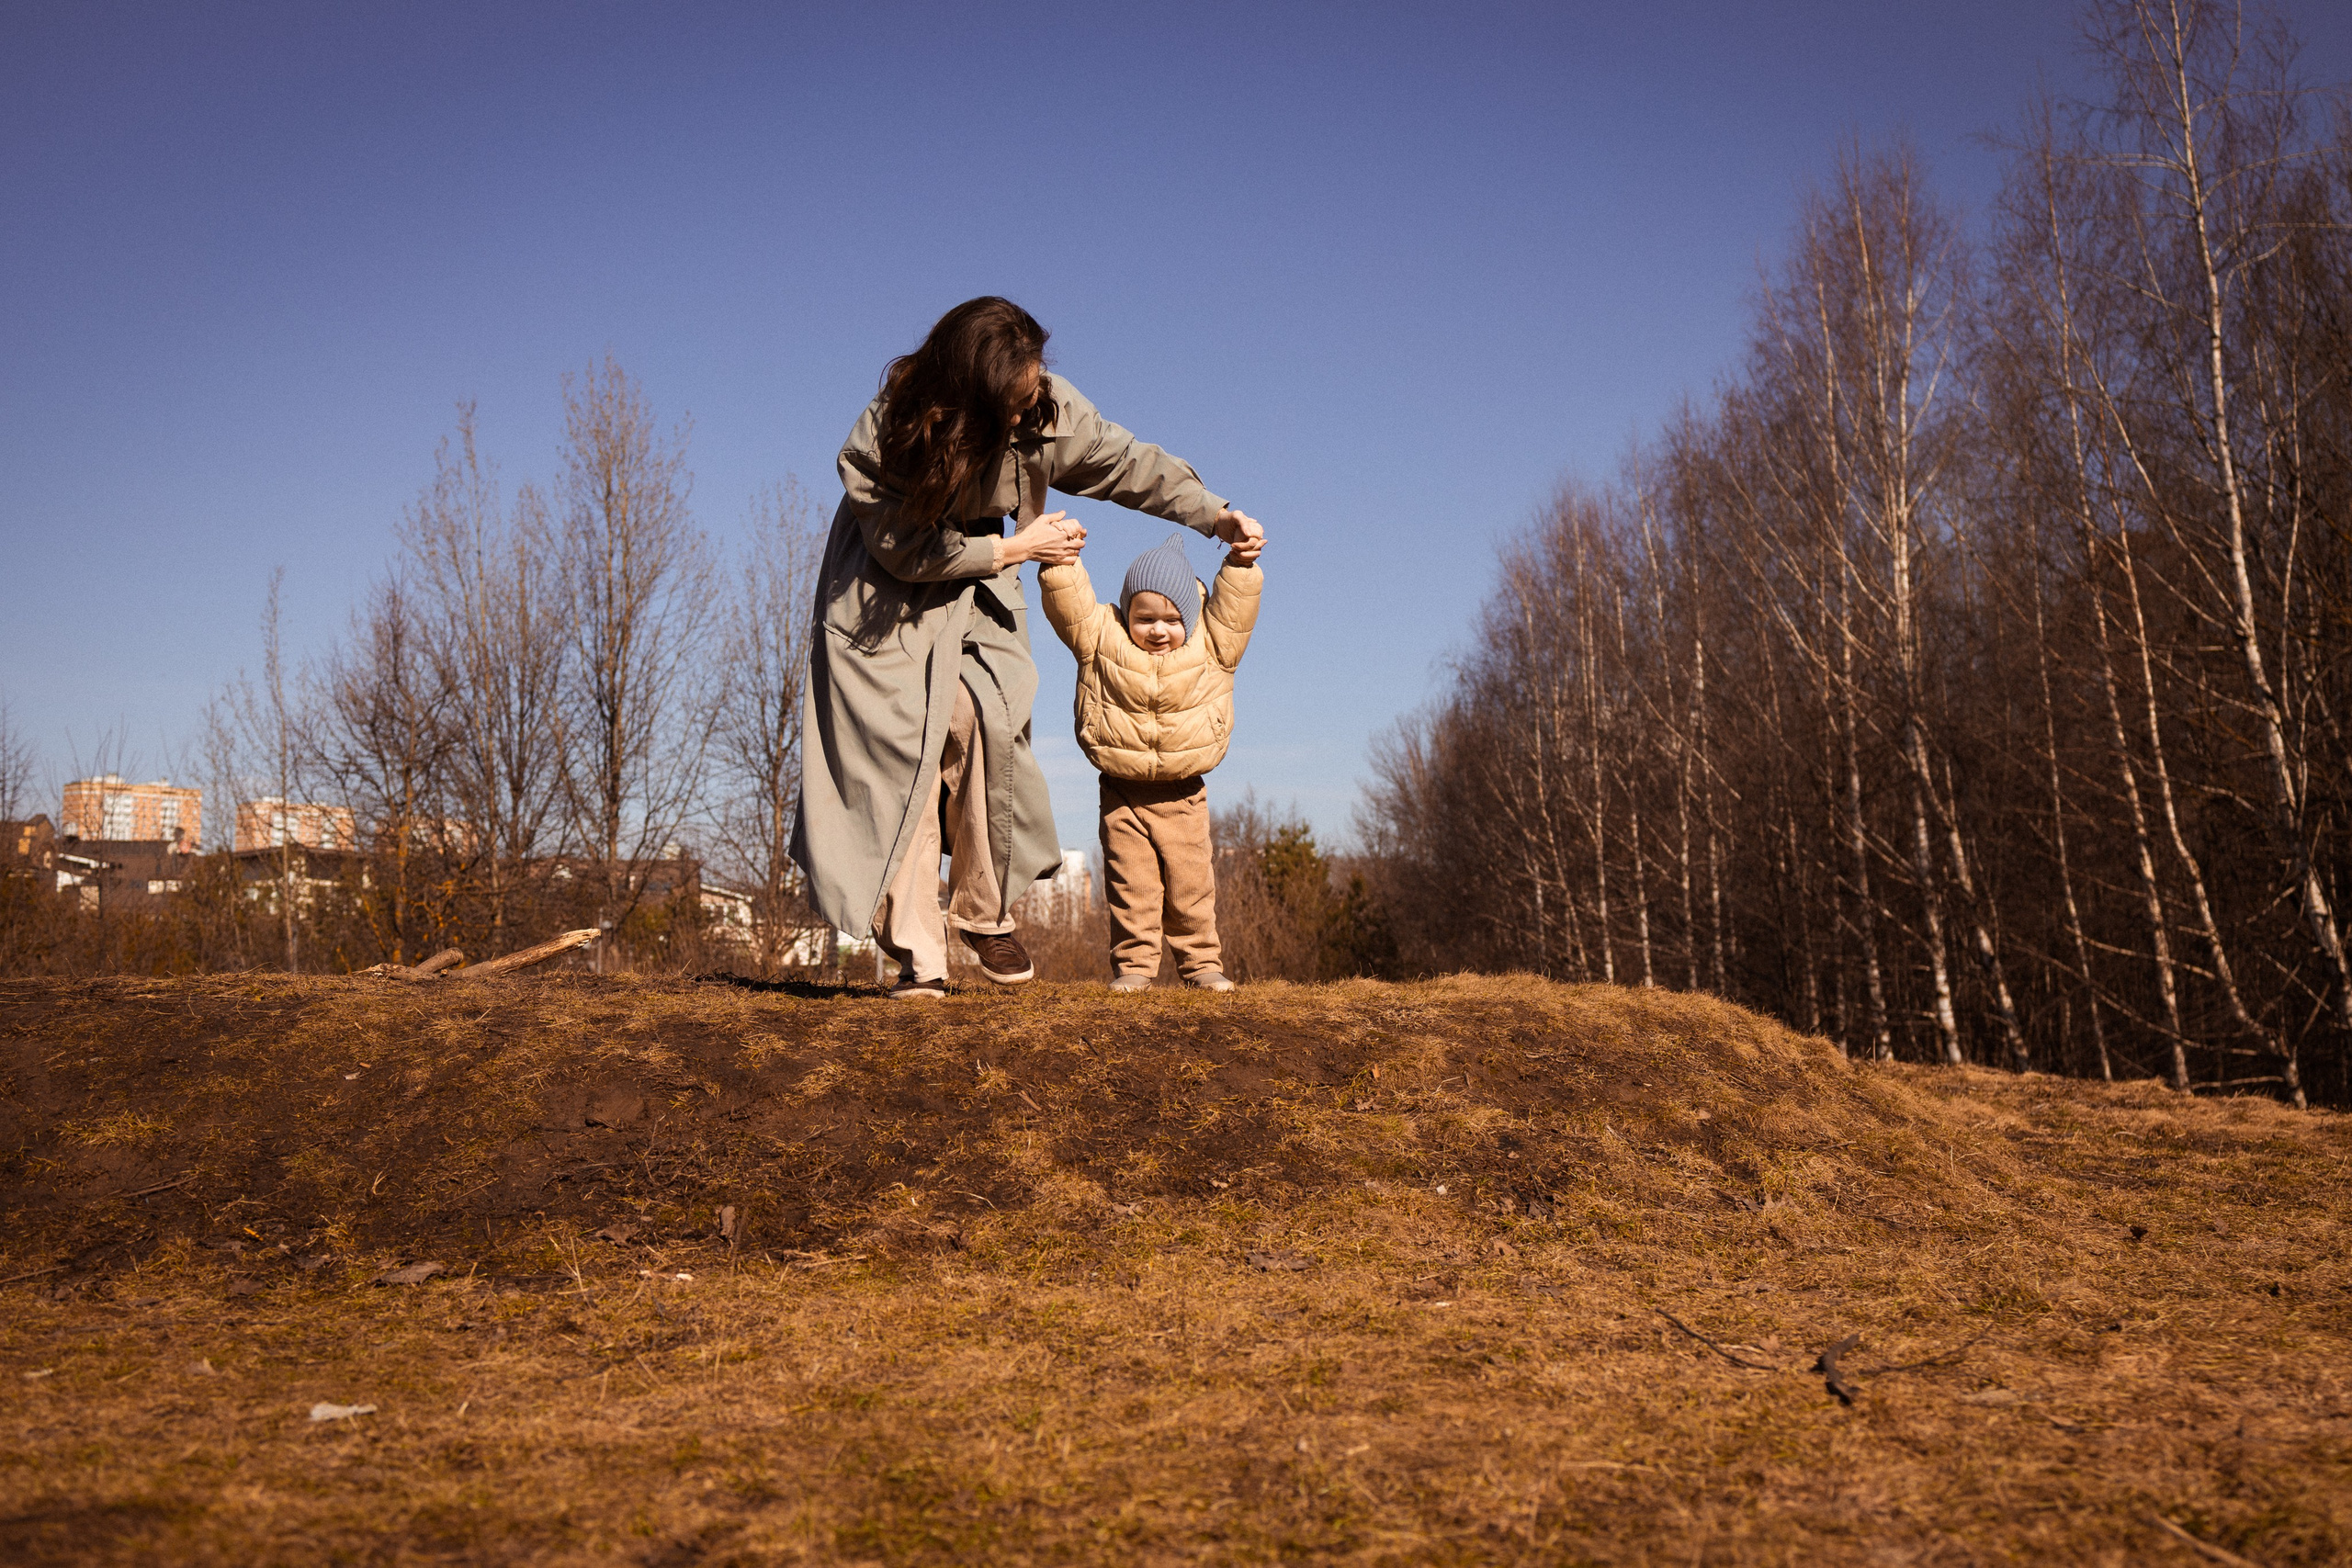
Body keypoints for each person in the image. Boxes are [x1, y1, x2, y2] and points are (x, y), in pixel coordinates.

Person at [790, 298, 1265, 998]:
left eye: (1034, 388)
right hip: (886, 589)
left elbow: (1123, 460)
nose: (1027, 408)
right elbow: (901, 548)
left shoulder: (1044, 407)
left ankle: (983, 912)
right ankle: (919, 958)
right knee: (905, 755)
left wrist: (1210, 512)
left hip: (982, 577)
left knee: (989, 717)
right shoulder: (891, 430)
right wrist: (1018, 546)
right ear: (970, 396)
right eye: (1011, 401)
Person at [1039, 529, 1263, 990]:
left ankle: (1202, 965)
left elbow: (1235, 610)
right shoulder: (1101, 638)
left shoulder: (1213, 646)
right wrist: (1061, 561)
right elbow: (1071, 607)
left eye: (1171, 618)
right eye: (1145, 618)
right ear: (1127, 615)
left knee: (1191, 886)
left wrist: (1240, 565)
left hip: (1184, 791)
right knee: (1131, 886)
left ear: (1192, 618)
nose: (1158, 629)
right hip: (1122, 791)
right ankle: (1135, 969)